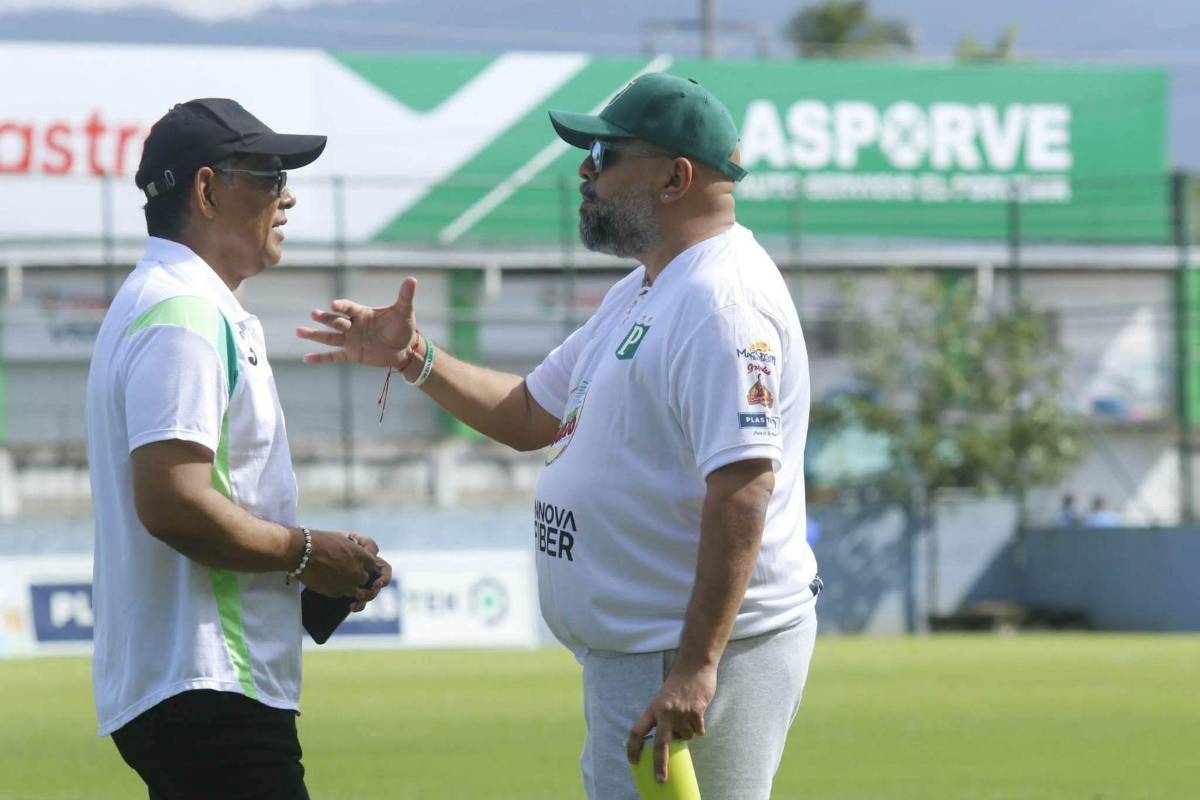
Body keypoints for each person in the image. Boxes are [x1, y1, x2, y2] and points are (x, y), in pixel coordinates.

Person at [298, 73, 819, 800]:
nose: (584, 172)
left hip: (694, 654)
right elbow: (527, 413)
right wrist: (413, 357)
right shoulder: (648, 287)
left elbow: (743, 488)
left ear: (676, 178)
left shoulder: (722, 302)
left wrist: (698, 666)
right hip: (645, 651)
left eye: (604, 155)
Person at [85, 98, 392, 800]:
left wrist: (315, 573)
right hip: (212, 685)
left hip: (193, 683)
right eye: (270, 175)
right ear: (207, 189)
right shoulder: (185, 314)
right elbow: (173, 504)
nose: (288, 196)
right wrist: (307, 553)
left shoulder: (168, 301)